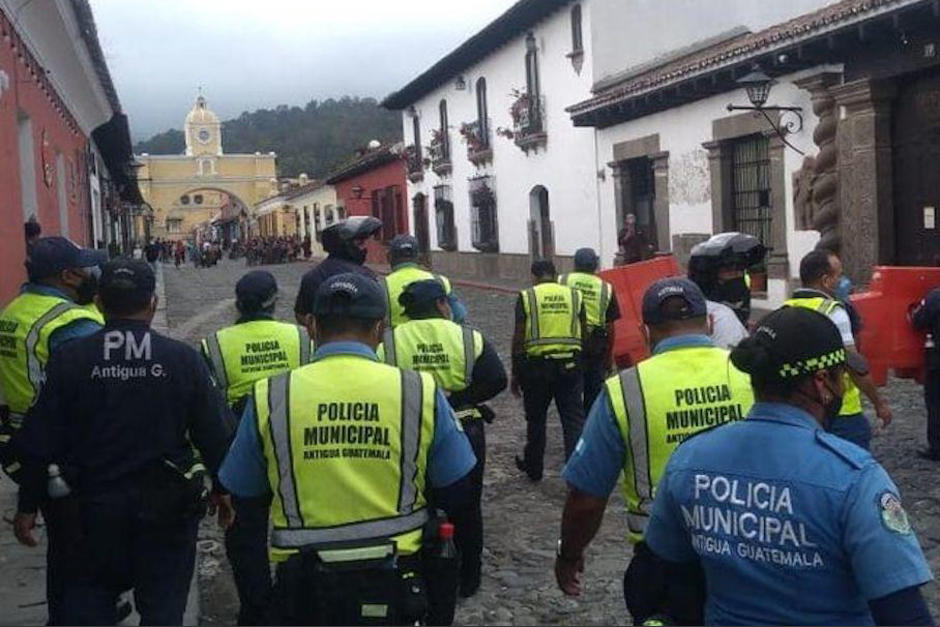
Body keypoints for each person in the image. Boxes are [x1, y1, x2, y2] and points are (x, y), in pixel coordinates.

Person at [642, 307, 934, 626]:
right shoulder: (856, 479)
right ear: (821, 383)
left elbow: (667, 573)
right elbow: (903, 613)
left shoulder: (689, 459)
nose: (845, 388)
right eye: (841, 378)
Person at [219, 273, 477, 625]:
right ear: (380, 327)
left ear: (311, 326)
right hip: (397, 579)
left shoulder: (270, 395)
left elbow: (245, 500)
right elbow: (457, 489)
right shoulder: (417, 389)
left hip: (304, 586)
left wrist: (258, 601)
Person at [11, 259, 234, 625]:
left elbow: (41, 437)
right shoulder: (182, 360)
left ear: (98, 303)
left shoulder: (70, 358)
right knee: (163, 610)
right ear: (153, 303)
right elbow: (215, 433)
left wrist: (28, 504)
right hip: (165, 510)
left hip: (88, 512)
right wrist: (223, 490)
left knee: (85, 606)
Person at [555, 278, 754, 623]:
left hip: (666, 563)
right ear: (708, 323)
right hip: (749, 552)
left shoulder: (625, 390)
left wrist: (569, 554)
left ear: (646, 332)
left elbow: (586, 497)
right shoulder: (749, 374)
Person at [376, 279, 507, 598]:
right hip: (464, 430)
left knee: (413, 501)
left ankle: (417, 568)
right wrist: (459, 399)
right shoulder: (468, 337)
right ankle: (469, 575)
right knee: (468, 506)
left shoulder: (389, 343)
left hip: (408, 433)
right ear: (440, 305)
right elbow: (497, 379)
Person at [200, 270, 314, 625]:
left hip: (241, 449)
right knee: (301, 525)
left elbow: (209, 412)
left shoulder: (215, 344)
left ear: (237, 303)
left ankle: (257, 610)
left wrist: (217, 476)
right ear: (275, 302)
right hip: (293, 447)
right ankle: (295, 602)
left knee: (245, 538)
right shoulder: (300, 338)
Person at [786, 249, 892, 450]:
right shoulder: (834, 311)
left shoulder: (787, 309)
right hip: (842, 411)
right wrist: (879, 403)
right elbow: (854, 364)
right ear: (826, 280)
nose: (842, 280)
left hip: (803, 409)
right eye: (839, 275)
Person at [511, 259, 587, 481]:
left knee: (536, 421)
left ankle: (534, 469)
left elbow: (519, 337)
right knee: (572, 421)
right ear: (555, 275)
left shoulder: (527, 297)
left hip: (536, 369)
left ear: (534, 276)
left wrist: (516, 372)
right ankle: (576, 473)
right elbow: (584, 332)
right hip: (570, 366)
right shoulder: (575, 296)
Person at [559, 248, 620, 412]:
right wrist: (609, 357)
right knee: (593, 395)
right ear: (596, 265)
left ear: (574, 264)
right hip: (595, 346)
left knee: (570, 395)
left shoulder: (562, 280)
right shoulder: (606, 288)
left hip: (568, 341)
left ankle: (573, 427)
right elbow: (610, 326)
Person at [293, 216, 383, 325]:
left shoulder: (311, 277)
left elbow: (301, 315)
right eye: (359, 244)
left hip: (323, 339)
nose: (364, 248)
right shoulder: (367, 277)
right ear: (344, 246)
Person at [379, 234, 467, 327]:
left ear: (389, 257)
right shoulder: (440, 281)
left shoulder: (382, 286)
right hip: (440, 339)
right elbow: (459, 316)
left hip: (399, 340)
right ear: (419, 257)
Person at [688, 232, 767, 329]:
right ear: (711, 276)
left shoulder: (741, 291)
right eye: (730, 271)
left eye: (740, 270)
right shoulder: (708, 317)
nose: (737, 275)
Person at [911, 285, 940, 460]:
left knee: (936, 404)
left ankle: (937, 447)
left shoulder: (935, 298)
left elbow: (917, 322)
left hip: (938, 361)